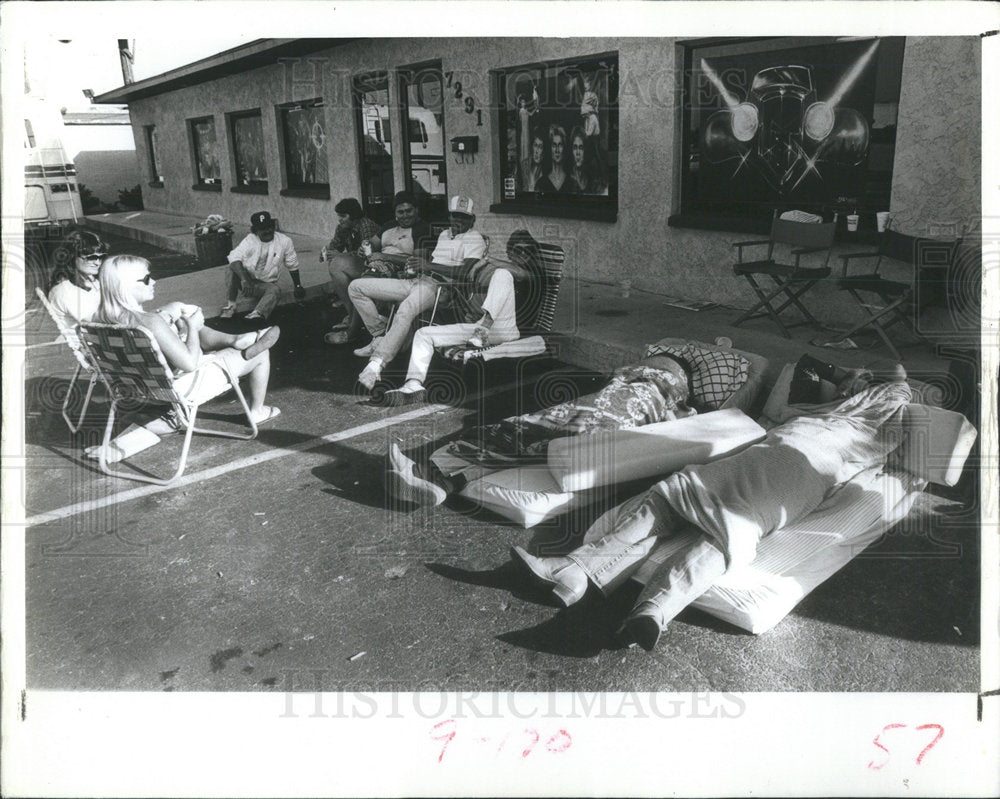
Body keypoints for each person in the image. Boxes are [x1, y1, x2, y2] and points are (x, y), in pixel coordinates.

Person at [508, 363, 911, 651]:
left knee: (671, 498)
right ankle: (653, 610)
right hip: (799, 486)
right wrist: (850, 384)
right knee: (728, 538)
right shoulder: (874, 436)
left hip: (780, 457)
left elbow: (895, 374)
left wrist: (850, 379)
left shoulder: (874, 412)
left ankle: (576, 571)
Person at [387, 351, 696, 506]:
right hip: (606, 434)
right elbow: (682, 425)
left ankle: (430, 470)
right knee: (530, 446)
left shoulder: (646, 374)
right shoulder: (674, 397)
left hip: (585, 415)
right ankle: (443, 485)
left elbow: (609, 385)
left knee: (516, 431)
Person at [94, 255, 281, 427]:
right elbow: (190, 364)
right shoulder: (151, 323)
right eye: (145, 279)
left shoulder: (98, 321)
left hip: (137, 390)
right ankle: (257, 411)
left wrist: (170, 314)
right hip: (179, 390)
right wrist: (193, 326)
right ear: (124, 286)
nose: (153, 281)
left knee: (179, 321)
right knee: (261, 353)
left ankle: (237, 339)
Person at [378, 230, 545, 407]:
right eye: (518, 250)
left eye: (529, 251)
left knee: (502, 274)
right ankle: (413, 385)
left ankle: (484, 326)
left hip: (510, 328)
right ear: (510, 252)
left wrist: (485, 260)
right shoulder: (504, 272)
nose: (524, 255)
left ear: (534, 254)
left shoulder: (537, 274)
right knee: (423, 334)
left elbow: (520, 273)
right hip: (485, 330)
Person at [348, 195, 487, 391]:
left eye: (464, 217)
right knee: (356, 287)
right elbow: (432, 264)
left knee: (405, 309)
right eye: (455, 216)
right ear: (449, 216)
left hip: (441, 288)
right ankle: (380, 335)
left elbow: (465, 273)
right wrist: (416, 268)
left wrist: (427, 265)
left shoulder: (475, 238)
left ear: (472, 219)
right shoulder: (445, 235)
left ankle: (376, 364)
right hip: (418, 281)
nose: (458, 221)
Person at [325, 192, 430, 345]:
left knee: (362, 282)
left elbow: (419, 261)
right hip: (378, 263)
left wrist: (385, 257)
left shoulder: (422, 229)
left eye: (409, 211)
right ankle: (356, 314)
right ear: (395, 213)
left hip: (402, 269)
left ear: (417, 210)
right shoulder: (388, 226)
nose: (405, 215)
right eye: (400, 212)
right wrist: (363, 248)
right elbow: (371, 244)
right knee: (336, 264)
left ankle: (353, 331)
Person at [221, 211, 304, 320]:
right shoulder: (250, 239)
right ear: (255, 231)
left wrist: (297, 286)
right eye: (263, 229)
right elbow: (234, 257)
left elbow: (292, 264)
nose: (268, 231)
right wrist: (245, 280)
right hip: (245, 281)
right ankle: (231, 306)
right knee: (231, 268)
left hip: (265, 284)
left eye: (269, 227)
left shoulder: (285, 241)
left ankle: (257, 314)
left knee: (275, 290)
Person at [323, 198, 382, 343]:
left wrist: (341, 255)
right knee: (334, 262)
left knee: (337, 263)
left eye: (343, 216)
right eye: (339, 216)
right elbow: (334, 245)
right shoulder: (343, 228)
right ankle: (351, 314)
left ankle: (353, 320)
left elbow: (366, 254)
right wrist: (327, 252)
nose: (340, 220)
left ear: (353, 215)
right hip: (356, 263)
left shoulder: (365, 226)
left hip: (372, 265)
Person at [46, 230, 109, 330]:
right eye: (91, 257)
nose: (97, 263)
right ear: (71, 258)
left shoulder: (90, 279)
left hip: (95, 337)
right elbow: (96, 321)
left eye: (101, 257)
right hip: (85, 342)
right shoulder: (66, 291)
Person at [535, 125, 570, 194]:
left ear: (564, 148)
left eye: (560, 145)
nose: (557, 150)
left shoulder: (572, 183)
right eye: (554, 145)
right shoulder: (541, 184)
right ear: (550, 149)